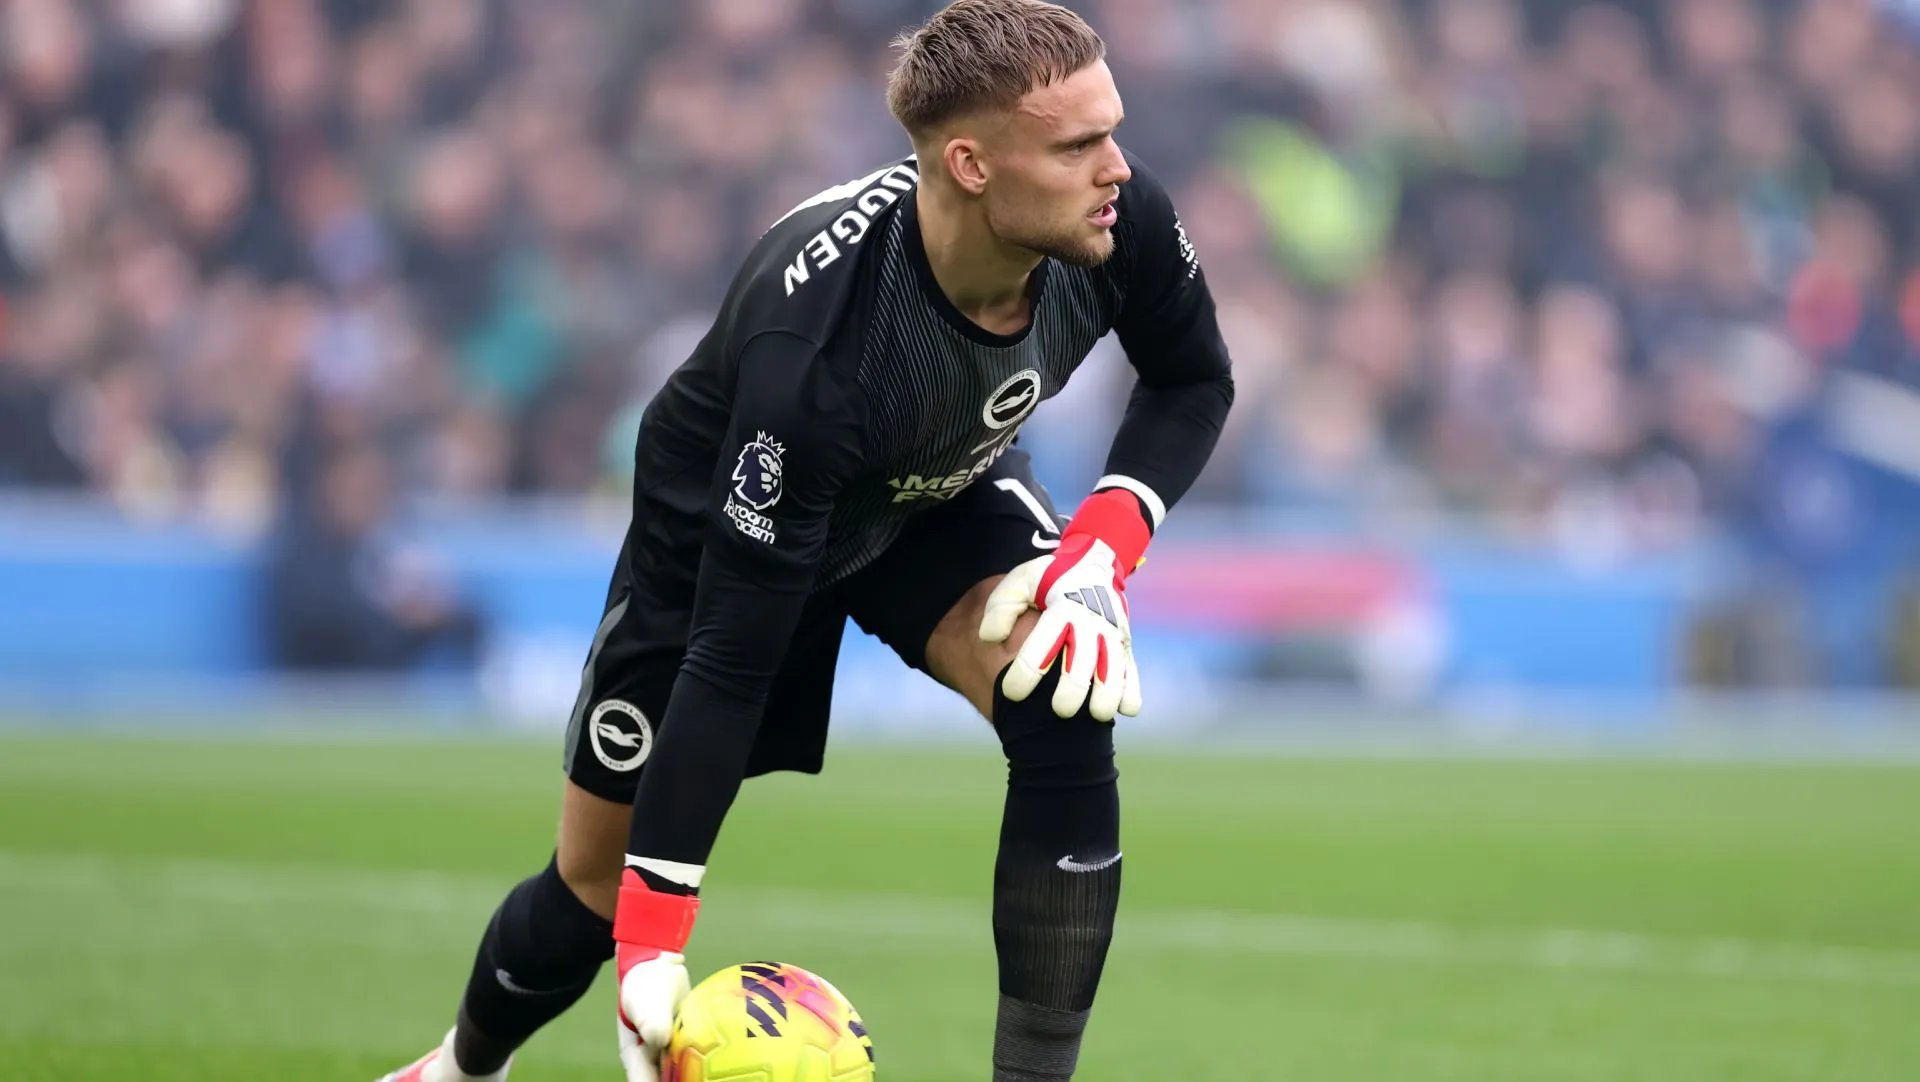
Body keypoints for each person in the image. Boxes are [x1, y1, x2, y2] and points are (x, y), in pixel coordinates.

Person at [378, 2, 1233, 1079]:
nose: (1116, 165)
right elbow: (730, 665)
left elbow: (1196, 376)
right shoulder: (818, 347)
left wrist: (1101, 552)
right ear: (970, 164)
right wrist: (654, 941)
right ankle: (460, 1067)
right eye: (1077, 144)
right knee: (595, 888)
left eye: (1111, 129)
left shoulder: (1119, 218)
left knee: (1061, 689)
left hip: (933, 487)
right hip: (723, 522)